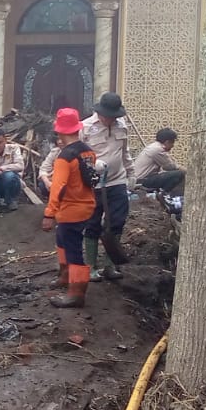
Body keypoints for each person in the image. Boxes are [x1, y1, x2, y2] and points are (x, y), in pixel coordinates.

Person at [40, 107, 98, 309]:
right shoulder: (87, 151)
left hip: (71, 209)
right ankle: (65, 276)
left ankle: (76, 293)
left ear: (60, 131)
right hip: (87, 205)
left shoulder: (64, 157)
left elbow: (58, 187)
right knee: (62, 239)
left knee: (73, 250)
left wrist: (49, 213)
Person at [80, 91, 134, 281]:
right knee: (93, 222)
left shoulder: (121, 126)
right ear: (100, 113)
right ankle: (91, 266)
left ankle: (110, 266)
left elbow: (125, 151)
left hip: (117, 181)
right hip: (94, 184)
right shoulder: (85, 127)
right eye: (108, 116)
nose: (111, 120)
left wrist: (131, 173)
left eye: (114, 117)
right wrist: (90, 165)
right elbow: (76, 154)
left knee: (116, 222)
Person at [132, 127, 185, 195]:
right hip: (142, 181)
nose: (172, 146)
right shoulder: (158, 149)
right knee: (179, 174)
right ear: (167, 142)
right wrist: (188, 173)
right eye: (172, 143)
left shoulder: (153, 147)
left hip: (140, 179)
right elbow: (170, 167)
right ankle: (163, 194)